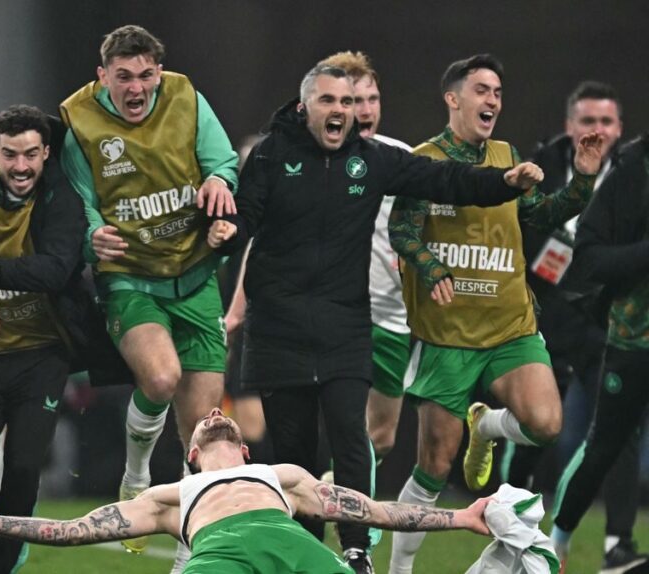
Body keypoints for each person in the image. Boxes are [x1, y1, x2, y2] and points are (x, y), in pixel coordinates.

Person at [221, 62, 549, 574]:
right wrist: (223, 228)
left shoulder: (373, 160)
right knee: (293, 451)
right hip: (280, 327)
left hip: (345, 324)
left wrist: (504, 181)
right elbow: (246, 218)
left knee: (354, 438)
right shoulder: (270, 155)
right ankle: (305, 551)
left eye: (348, 103)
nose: (342, 111)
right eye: (330, 101)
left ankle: (356, 550)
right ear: (305, 107)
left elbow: (446, 179)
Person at [387, 54, 603, 573]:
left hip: (510, 327)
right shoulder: (425, 159)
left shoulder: (506, 154)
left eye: (499, 93)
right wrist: (431, 268)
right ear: (452, 97)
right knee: (434, 465)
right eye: (482, 90)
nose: (493, 101)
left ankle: (486, 428)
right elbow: (402, 230)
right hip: (448, 336)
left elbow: (542, 215)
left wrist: (583, 181)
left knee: (548, 423)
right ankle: (396, 571)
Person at [58, 24, 239, 564]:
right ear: (102, 76)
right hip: (130, 278)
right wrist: (92, 234)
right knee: (161, 377)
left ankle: (190, 547)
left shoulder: (186, 97)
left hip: (196, 276)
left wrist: (220, 185)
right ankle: (136, 478)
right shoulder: (79, 122)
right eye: (123, 77)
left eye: (145, 75)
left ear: (158, 73)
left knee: (205, 431)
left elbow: (223, 161)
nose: (136, 88)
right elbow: (77, 198)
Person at [0, 407, 492, 574]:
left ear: (245, 451)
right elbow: (76, 529)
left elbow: (375, 512)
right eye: (205, 420)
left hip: (290, 544)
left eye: (221, 417)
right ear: (193, 453)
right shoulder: (172, 495)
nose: (216, 413)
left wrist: (462, 517)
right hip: (216, 554)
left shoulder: (284, 476)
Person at [509, 80, 646, 571]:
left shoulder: (630, 170)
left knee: (617, 434)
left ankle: (616, 546)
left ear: (620, 126)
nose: (598, 130)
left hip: (600, 323)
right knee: (537, 428)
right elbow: (522, 242)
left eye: (607, 121)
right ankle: (513, 520)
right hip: (545, 317)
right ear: (570, 126)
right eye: (588, 120)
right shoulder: (541, 168)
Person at [0, 105, 86, 573]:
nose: (21, 166)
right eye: (10, 154)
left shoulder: (60, 198)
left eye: (31, 154)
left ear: (47, 152)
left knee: (25, 465)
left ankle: (0, 567)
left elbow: (58, 267)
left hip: (40, 353)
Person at [550, 132, 649, 572]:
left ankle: (617, 549)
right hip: (635, 340)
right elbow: (587, 258)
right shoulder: (633, 171)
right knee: (605, 445)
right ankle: (556, 544)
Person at [318, 51, 414, 466]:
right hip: (342, 314)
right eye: (355, 101)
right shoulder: (316, 162)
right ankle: (325, 513)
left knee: (382, 437)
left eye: (373, 99)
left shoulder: (400, 157)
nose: (367, 109)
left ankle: (332, 492)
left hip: (394, 316)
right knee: (340, 425)